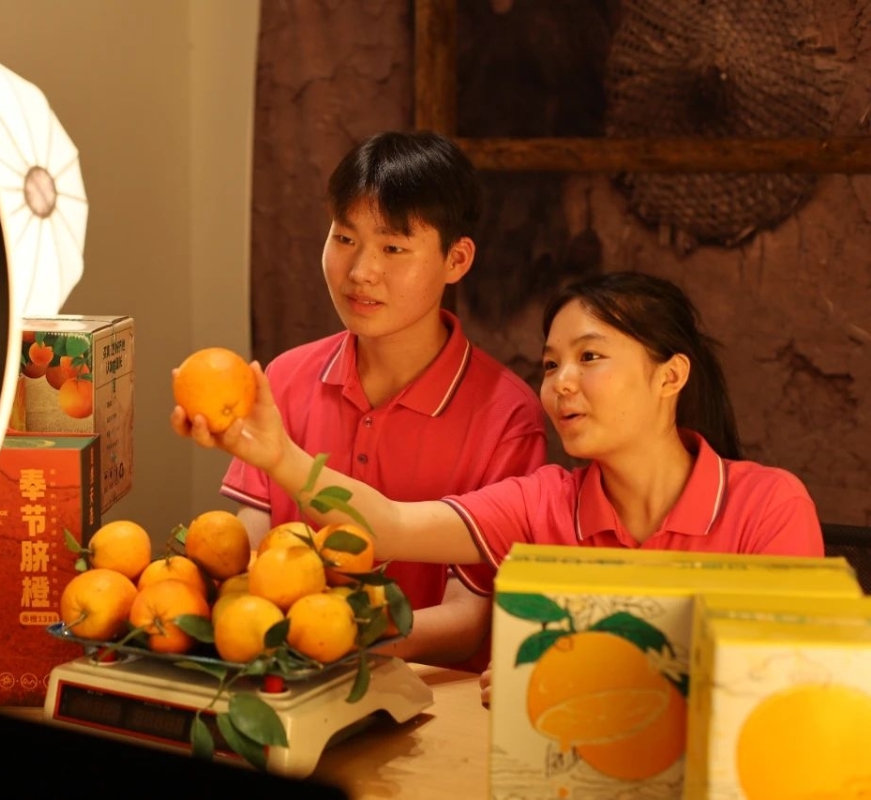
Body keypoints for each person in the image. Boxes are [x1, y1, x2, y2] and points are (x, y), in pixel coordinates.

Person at [173, 270, 824, 701]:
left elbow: (790, 685)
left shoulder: (768, 505)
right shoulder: (544, 502)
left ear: (670, 376)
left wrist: (573, 676)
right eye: (551, 364)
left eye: (590, 357)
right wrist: (281, 457)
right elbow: (390, 527)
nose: (561, 383)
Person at [215, 130, 548, 669]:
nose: (360, 272)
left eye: (393, 248)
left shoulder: (507, 416)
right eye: (345, 238)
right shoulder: (286, 377)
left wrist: (336, 643)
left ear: (457, 259)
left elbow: (469, 621)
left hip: (432, 703)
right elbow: (248, 553)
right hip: (283, 684)